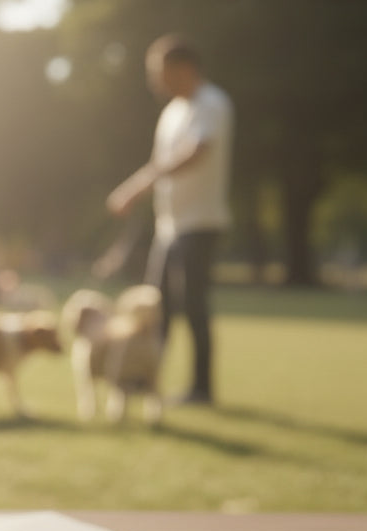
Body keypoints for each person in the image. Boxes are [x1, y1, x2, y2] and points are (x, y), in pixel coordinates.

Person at [106, 35, 233, 405]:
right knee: (154, 308)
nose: (155, 81)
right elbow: (160, 164)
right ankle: (146, 376)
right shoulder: (172, 112)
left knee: (193, 306)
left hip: (201, 223)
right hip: (170, 225)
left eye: (159, 73)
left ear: (184, 69)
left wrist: (140, 185)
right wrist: (138, 190)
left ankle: (201, 389)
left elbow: (196, 152)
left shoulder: (212, 103)